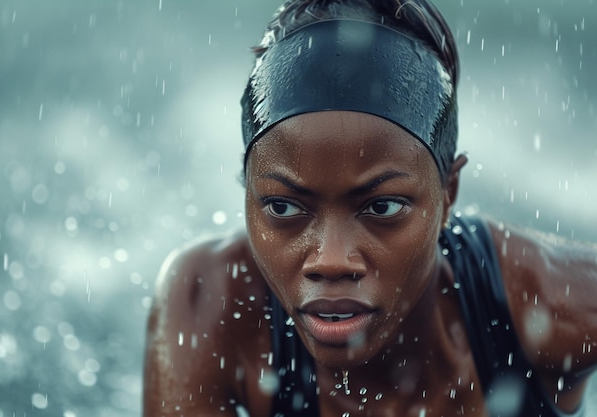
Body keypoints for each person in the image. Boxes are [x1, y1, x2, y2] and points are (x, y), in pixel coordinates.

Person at [143, 1, 597, 416]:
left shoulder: (557, 305)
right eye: (283, 207)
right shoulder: (208, 303)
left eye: (381, 206)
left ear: (449, 195)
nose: (331, 260)